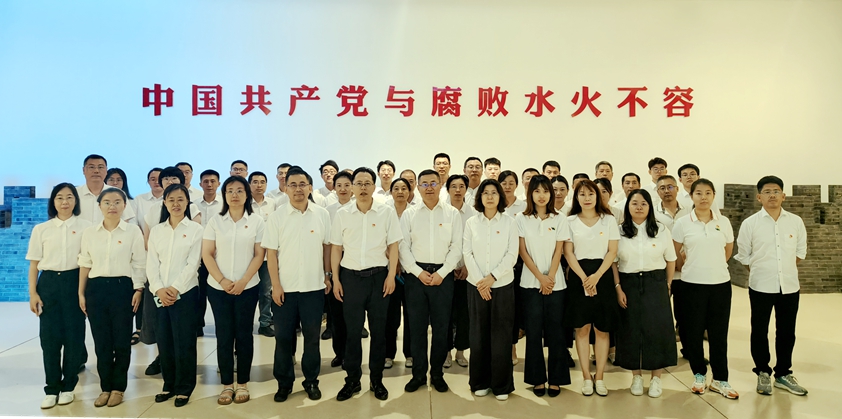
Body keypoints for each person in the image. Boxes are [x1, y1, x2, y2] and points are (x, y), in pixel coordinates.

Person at [331, 167, 402, 401]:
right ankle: (352, 380)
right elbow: (336, 248)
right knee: (352, 333)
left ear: (374, 186)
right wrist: (336, 278)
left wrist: (391, 276)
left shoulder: (386, 212)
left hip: (379, 278)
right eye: (359, 183)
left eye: (367, 183)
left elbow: (393, 246)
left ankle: (376, 380)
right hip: (350, 279)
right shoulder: (342, 214)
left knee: (379, 332)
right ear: (352, 186)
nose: (363, 187)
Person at [263, 167, 333, 403]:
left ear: (310, 187)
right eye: (292, 185)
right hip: (285, 289)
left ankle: (311, 381)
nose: (298, 189)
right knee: (283, 339)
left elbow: (326, 247)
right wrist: (276, 285)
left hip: (313, 288)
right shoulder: (277, 217)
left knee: (312, 339)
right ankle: (284, 383)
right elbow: (271, 254)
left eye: (302, 184)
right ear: (285, 188)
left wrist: (327, 275)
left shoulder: (322, 214)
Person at [735, 175, 808, 396]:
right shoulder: (750, 224)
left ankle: (784, 374)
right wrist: (763, 272)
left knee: (787, 332)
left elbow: (799, 253)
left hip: (789, 286)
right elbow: (744, 256)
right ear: (759, 197)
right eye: (767, 192)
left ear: (783, 195)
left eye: (776, 191)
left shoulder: (795, 221)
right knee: (759, 331)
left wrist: (782, 271)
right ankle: (762, 372)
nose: (772, 195)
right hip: (761, 286)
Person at [77, 188, 146, 408]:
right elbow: (85, 263)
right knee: (102, 342)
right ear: (99, 206)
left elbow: (139, 262)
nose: (112, 206)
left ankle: (118, 388)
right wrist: (81, 292)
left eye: (117, 202)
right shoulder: (90, 232)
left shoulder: (132, 231)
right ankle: (105, 387)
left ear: (125, 206)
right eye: (106, 202)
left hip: (122, 289)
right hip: (96, 289)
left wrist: (138, 289)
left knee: (121, 341)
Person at [672, 179, 739, 399]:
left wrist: (712, 266)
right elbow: (674, 253)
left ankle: (720, 379)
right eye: (698, 193)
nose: (703, 197)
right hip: (691, 285)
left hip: (720, 284)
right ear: (691, 196)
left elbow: (727, 251)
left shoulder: (723, 222)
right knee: (693, 332)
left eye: (708, 193)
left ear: (713, 196)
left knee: (719, 333)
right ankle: (699, 374)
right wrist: (690, 266)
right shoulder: (683, 223)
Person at [27, 183, 92, 409]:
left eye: (69, 197)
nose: (65, 202)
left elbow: (88, 261)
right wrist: (33, 293)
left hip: (75, 281)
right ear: (53, 202)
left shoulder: (87, 227)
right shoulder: (41, 229)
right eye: (59, 197)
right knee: (49, 339)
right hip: (49, 284)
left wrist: (83, 292)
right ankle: (52, 388)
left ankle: (68, 387)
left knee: (74, 337)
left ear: (76, 201)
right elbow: (34, 265)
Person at [202, 176, 266, 405]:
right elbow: (207, 253)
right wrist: (222, 280)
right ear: (224, 195)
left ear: (247, 194)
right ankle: (227, 384)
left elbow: (259, 254)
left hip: (247, 287)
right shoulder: (215, 221)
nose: (235, 195)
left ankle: (243, 384)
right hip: (218, 288)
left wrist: (243, 281)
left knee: (244, 335)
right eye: (230, 190)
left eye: (240, 190)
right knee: (224, 335)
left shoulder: (257, 221)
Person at [400, 169, 463, 394]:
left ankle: (437, 374)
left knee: (441, 328)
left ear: (440, 185)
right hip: (415, 277)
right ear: (417, 187)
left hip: (443, 277)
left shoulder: (452, 214)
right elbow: (403, 247)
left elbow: (457, 247)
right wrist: (418, 272)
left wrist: (442, 273)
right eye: (424, 184)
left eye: (433, 183)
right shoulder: (409, 214)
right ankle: (418, 374)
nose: (429, 187)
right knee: (416, 328)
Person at [613, 189, 677, 398]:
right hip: (628, 282)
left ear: (650, 207)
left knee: (656, 329)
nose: (639, 207)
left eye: (643, 203)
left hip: (655, 281)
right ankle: (636, 376)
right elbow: (613, 262)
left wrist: (667, 285)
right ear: (628, 206)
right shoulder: (619, 231)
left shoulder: (661, 229)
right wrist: (618, 287)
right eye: (634, 203)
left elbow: (671, 259)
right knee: (631, 328)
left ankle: (656, 378)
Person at [146, 184, 203, 407]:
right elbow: (152, 263)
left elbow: (193, 263)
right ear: (165, 203)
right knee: (164, 340)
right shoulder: (157, 231)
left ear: (188, 202)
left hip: (185, 292)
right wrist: (159, 288)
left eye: (180, 199)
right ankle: (168, 384)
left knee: (184, 341)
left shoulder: (196, 229)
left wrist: (175, 288)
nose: (176, 204)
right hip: (160, 294)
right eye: (171, 200)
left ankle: (184, 387)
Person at [563, 179, 620, 397]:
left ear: (597, 196)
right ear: (576, 198)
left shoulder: (608, 220)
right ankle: (587, 376)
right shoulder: (569, 221)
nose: (587, 198)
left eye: (591, 194)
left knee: (602, 329)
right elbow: (568, 253)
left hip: (602, 275)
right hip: (579, 276)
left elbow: (612, 252)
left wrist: (596, 277)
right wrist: (585, 278)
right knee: (582, 328)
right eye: (582, 194)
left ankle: (600, 376)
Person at [463, 178, 518, 401]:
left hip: (502, 285)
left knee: (501, 336)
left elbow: (512, 255)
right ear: (480, 197)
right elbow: (467, 253)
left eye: (494, 192)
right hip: (476, 286)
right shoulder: (471, 223)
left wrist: (492, 278)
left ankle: (501, 385)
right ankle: (480, 382)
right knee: (478, 336)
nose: (489, 196)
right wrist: (481, 281)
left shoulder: (509, 223)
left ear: (500, 197)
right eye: (485, 193)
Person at [516, 175, 571, 398]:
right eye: (537, 191)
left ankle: (557, 379)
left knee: (556, 332)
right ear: (530, 194)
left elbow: (560, 251)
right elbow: (522, 251)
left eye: (546, 191)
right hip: (530, 284)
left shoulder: (560, 219)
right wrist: (540, 277)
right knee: (533, 332)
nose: (542, 195)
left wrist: (550, 278)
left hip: (556, 285)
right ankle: (536, 378)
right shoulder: (521, 218)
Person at [654, 175, 691, 348]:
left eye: (670, 187)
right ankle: (663, 349)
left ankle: (688, 349)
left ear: (677, 188)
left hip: (685, 271)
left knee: (686, 314)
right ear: (657, 191)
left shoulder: (690, 210)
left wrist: (682, 258)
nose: (667, 191)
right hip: (662, 270)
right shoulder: (652, 213)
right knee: (660, 313)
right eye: (662, 188)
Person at [445, 174, 475, 368]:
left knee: (465, 314)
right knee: (445, 314)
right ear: (447, 189)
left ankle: (461, 352)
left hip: (467, 271)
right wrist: (450, 266)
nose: (457, 190)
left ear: (466, 189)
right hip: (445, 271)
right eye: (453, 186)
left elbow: (475, 243)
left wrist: (466, 266)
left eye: (461, 186)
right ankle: (446, 351)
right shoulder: (442, 211)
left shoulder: (473, 213)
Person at [384, 177, 414, 369]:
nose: (400, 192)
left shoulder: (415, 212)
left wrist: (403, 263)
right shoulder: (384, 212)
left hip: (410, 271)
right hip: (389, 272)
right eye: (396, 188)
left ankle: (410, 354)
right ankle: (388, 354)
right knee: (390, 315)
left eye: (404, 188)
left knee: (411, 315)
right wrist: (393, 262)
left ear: (410, 192)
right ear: (391, 192)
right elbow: (381, 240)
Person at [324, 171, 354, 342]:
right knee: (334, 301)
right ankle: (334, 335)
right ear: (334, 188)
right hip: (334, 257)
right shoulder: (327, 211)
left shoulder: (358, 207)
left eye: (347, 185)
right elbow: (327, 243)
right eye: (339, 185)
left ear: (353, 187)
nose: (343, 189)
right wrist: (327, 272)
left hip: (353, 258)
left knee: (353, 302)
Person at [250, 171, 277, 338]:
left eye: (262, 182)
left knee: (266, 291)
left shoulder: (272, 203)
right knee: (248, 290)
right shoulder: (245, 204)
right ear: (249, 185)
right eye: (255, 182)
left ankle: (265, 322)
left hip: (268, 255)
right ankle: (246, 322)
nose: (259, 185)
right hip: (249, 256)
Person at [77, 154, 136, 224]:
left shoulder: (118, 193)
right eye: (91, 167)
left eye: (100, 167)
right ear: (84, 170)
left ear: (106, 171)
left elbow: (125, 220)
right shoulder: (75, 193)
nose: (96, 171)